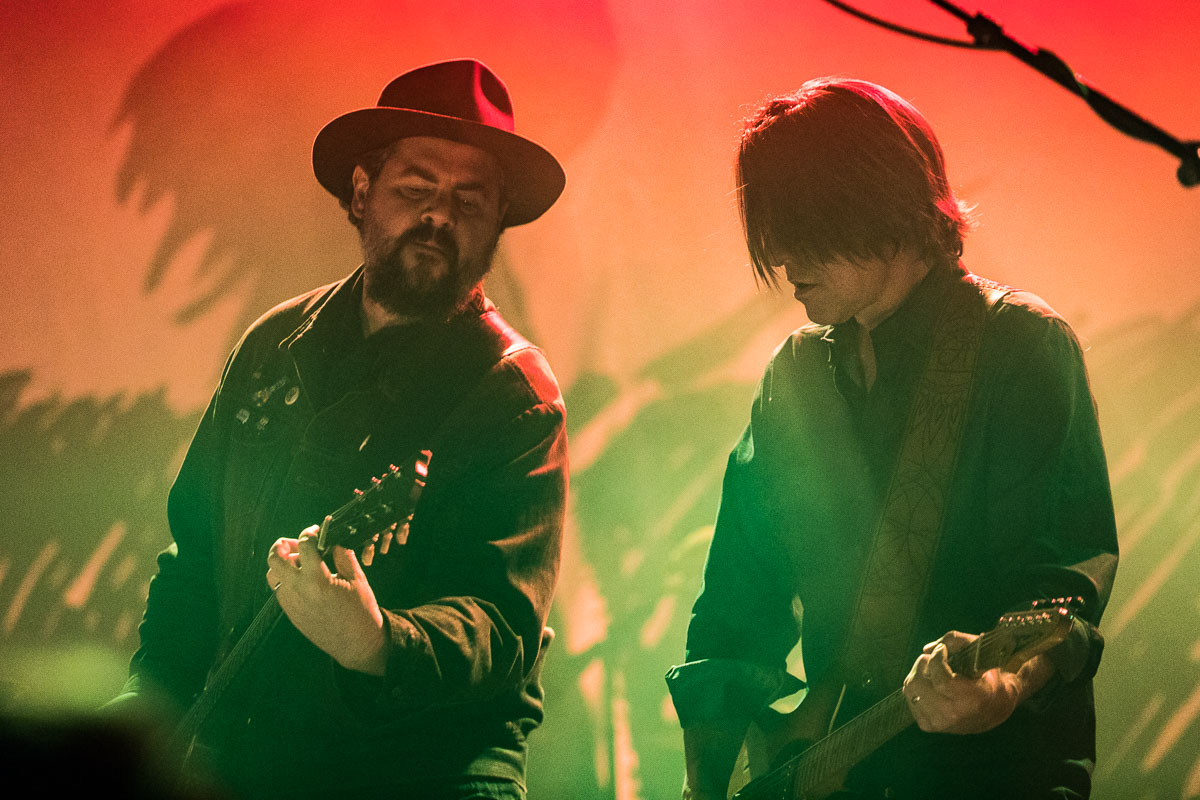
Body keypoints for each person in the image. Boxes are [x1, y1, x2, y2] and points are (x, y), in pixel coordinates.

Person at [110, 59, 569, 800]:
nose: (439, 217)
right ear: (362, 193)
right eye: (416, 189)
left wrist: (379, 643)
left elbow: (502, 623)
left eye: (469, 200)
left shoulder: (513, 393)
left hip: (422, 771)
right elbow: (194, 555)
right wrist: (149, 703)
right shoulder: (273, 344)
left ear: (498, 221)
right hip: (250, 753)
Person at [666, 78, 1118, 800]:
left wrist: (1000, 685)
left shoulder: (1019, 347)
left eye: (801, 222)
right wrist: (703, 781)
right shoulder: (796, 378)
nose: (780, 254)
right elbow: (734, 606)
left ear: (881, 202)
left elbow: (1060, 584)